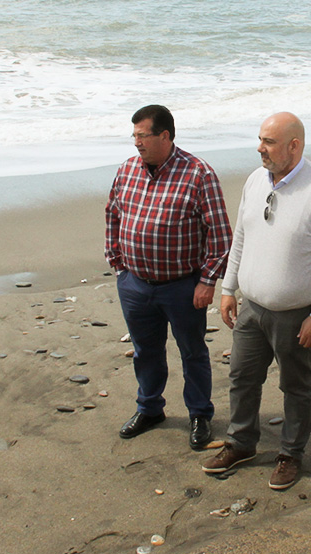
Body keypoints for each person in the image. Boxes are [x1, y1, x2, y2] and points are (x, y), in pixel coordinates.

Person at [201, 112, 311, 490]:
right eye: (260, 140)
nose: (260, 148)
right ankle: (241, 443)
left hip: (296, 314)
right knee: (242, 378)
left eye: (268, 142)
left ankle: (291, 453)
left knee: (296, 385)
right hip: (252, 308)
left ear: (294, 146)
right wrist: (227, 289)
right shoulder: (256, 181)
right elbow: (241, 238)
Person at [106, 104, 232, 449]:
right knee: (145, 350)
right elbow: (113, 214)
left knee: (192, 351)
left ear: (165, 135)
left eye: (142, 135)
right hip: (134, 283)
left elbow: (220, 235)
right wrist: (117, 263)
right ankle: (149, 408)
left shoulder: (198, 174)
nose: (136, 143)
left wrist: (207, 281)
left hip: (181, 286)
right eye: (133, 136)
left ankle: (199, 414)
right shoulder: (127, 170)